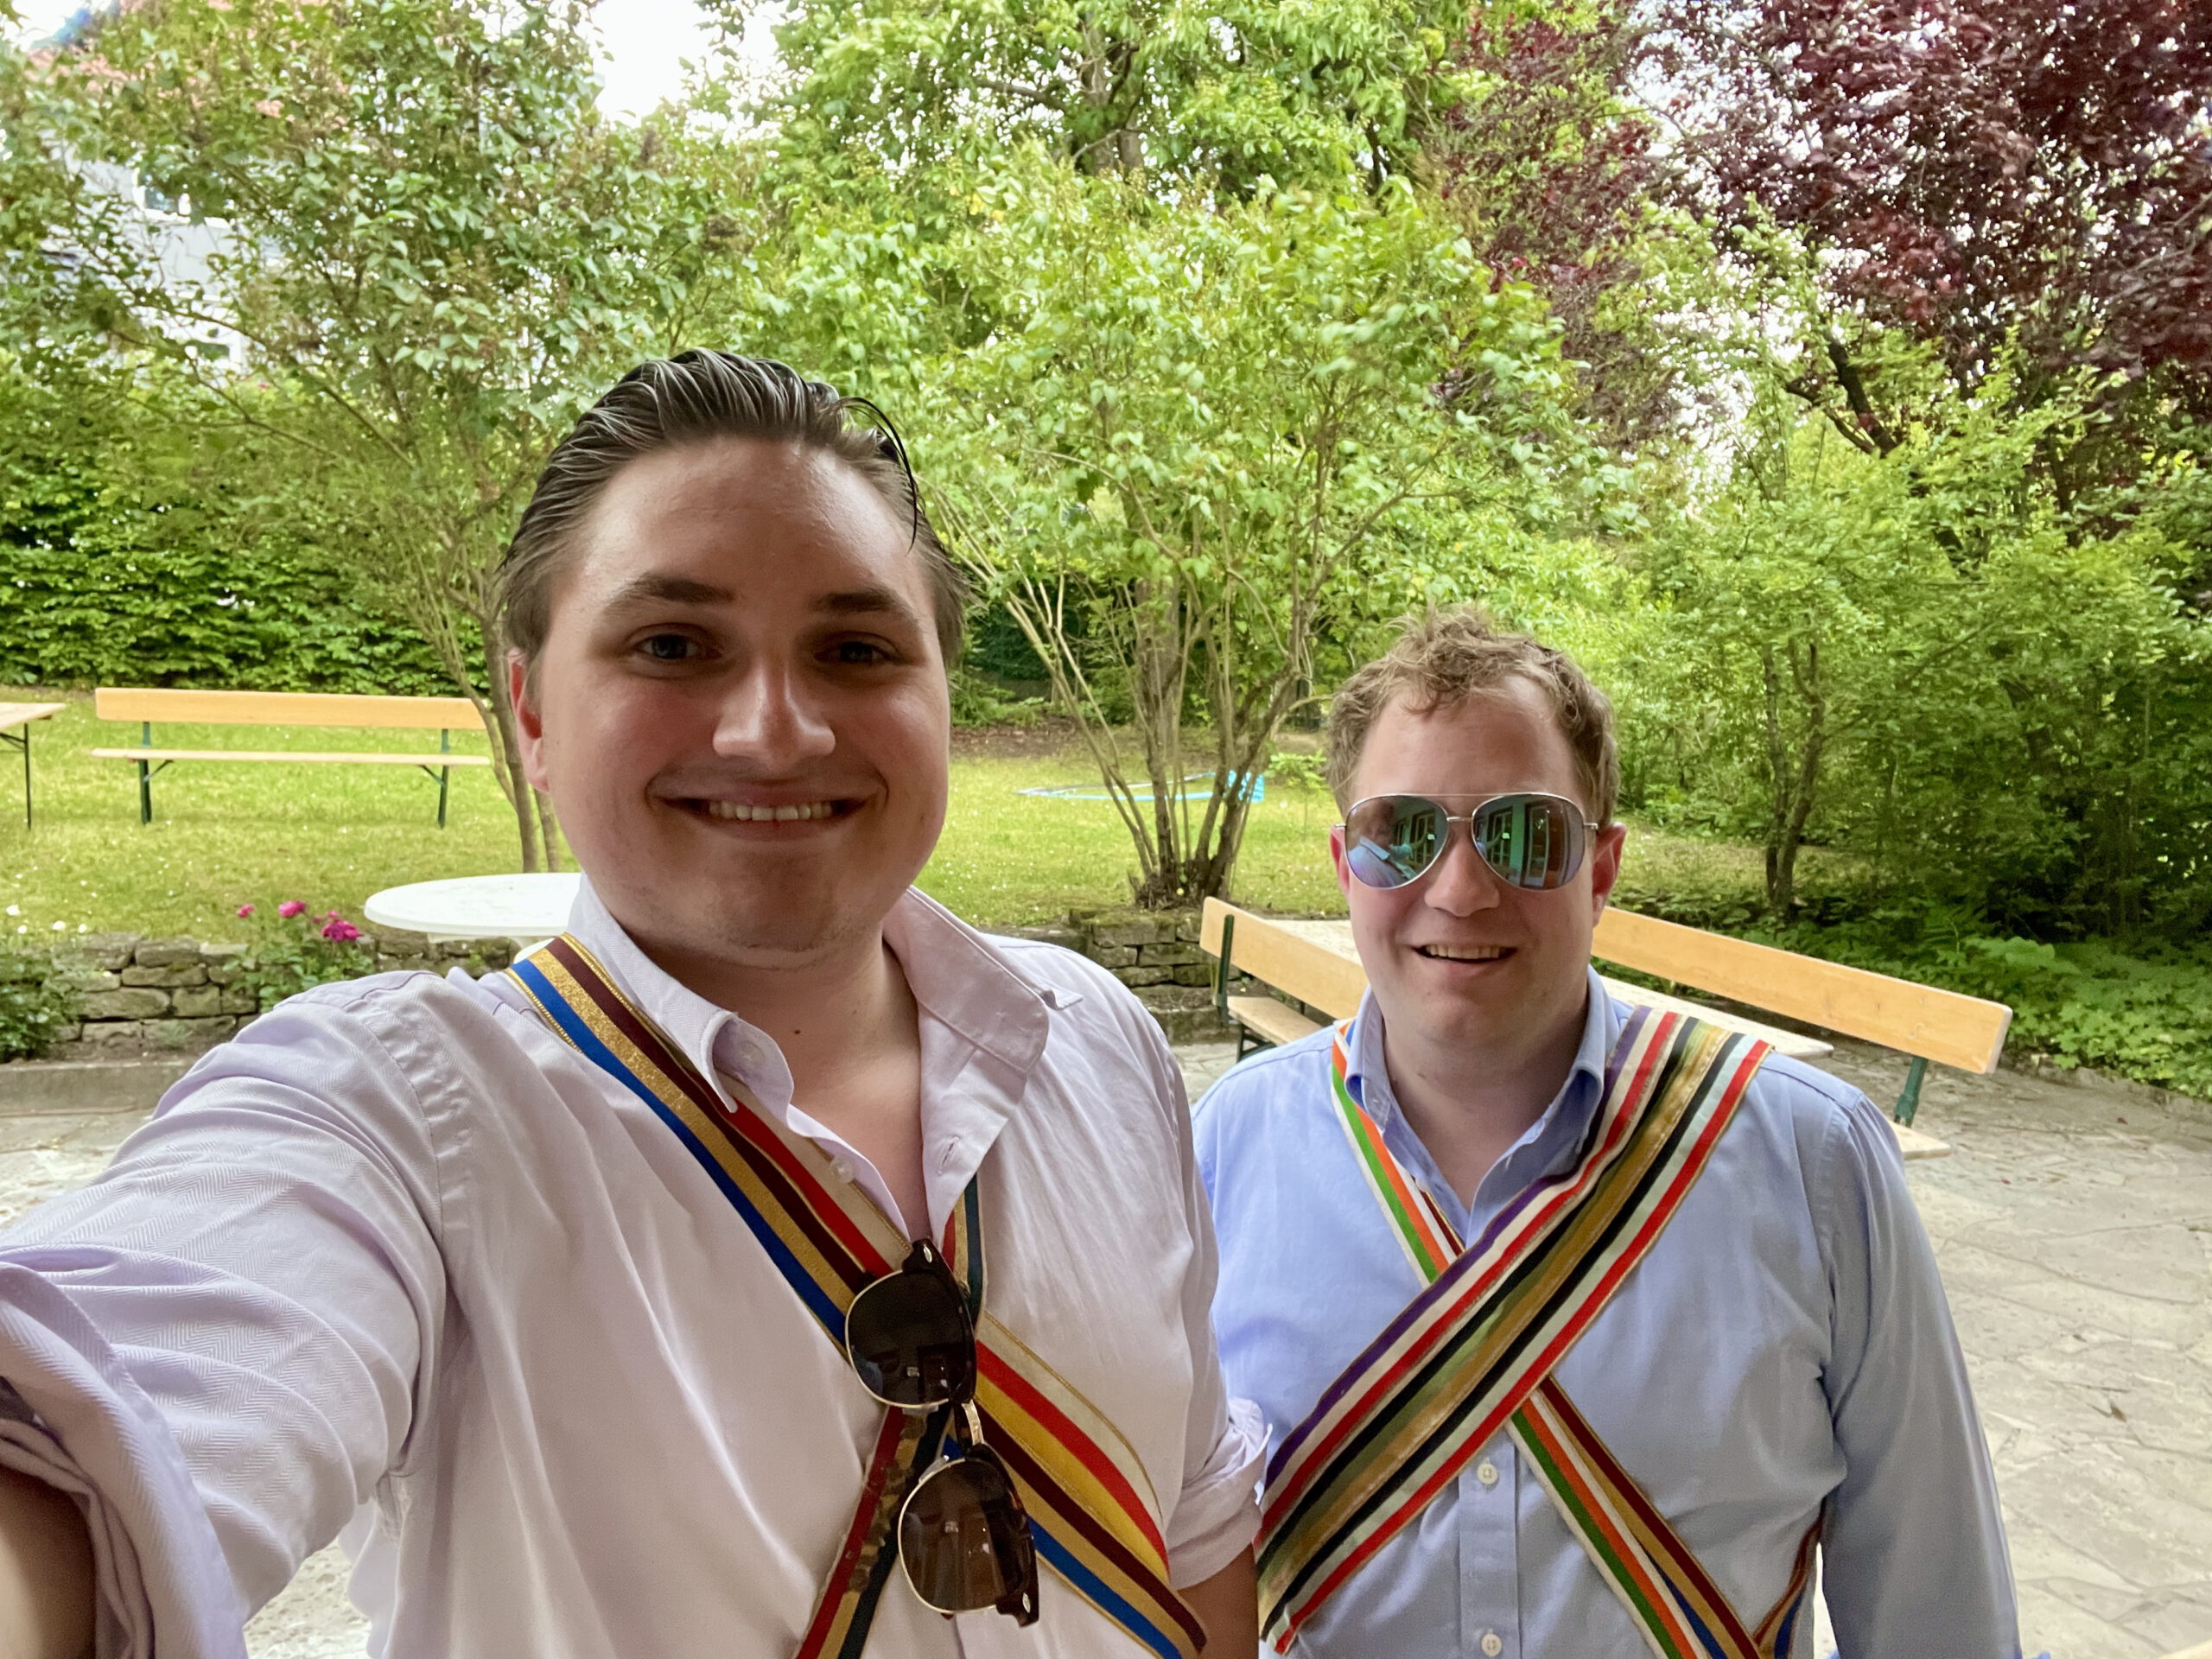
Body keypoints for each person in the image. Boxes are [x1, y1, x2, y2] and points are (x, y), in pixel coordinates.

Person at [0, 352, 1264, 1659]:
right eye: (672, 646)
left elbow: (1196, 1521)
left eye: (856, 649)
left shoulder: (1096, 1037)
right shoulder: (405, 1122)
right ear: (533, 714)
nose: (774, 733)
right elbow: (105, 1425)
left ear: (940, 693)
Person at [1192, 607, 2018, 1658]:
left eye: (1525, 835)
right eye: (1400, 833)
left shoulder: (1811, 1165)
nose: (1460, 890)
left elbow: (1935, 1610)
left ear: (1601, 868)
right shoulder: (1225, 1151)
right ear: (1344, 863)